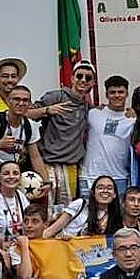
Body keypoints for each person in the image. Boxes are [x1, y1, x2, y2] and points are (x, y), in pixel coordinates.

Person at [31, 59, 95, 211]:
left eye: (88, 78)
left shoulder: (87, 107)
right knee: (45, 211)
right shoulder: (55, 96)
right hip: (48, 166)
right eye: (79, 76)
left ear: (93, 83)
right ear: (72, 78)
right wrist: (47, 110)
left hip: (71, 167)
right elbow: (25, 114)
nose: (83, 80)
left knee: (67, 212)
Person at [0, 84, 46, 200]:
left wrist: (46, 181)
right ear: (8, 101)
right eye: (16, 99)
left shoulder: (30, 126)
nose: (21, 103)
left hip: (10, 181)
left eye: (25, 100)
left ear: (30, 104)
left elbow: (35, 157)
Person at [83, 75, 135, 197]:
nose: (117, 95)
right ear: (106, 95)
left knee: (117, 215)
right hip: (90, 176)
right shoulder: (92, 113)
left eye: (121, 92)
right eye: (112, 92)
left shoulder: (133, 119)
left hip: (119, 177)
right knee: (87, 215)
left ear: (127, 94)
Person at [45, 175, 123, 237]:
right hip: (64, 248)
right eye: (100, 188)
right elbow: (51, 231)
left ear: (114, 194)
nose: (105, 191)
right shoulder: (80, 204)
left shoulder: (114, 216)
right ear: (93, 192)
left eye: (109, 188)